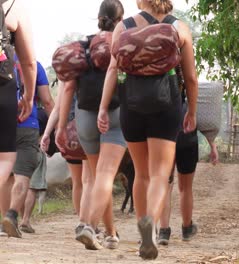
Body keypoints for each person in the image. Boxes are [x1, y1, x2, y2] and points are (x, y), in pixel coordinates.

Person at [98, 0, 198, 259]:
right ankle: (150, 225)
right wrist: (192, 112)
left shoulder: (124, 26)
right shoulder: (179, 28)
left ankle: (144, 223)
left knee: (141, 174)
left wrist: (102, 108)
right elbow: (191, 78)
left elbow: (112, 69)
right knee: (159, 175)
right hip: (167, 105)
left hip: (131, 104)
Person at [56, 0, 125, 250]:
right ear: (121, 20)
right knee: (106, 177)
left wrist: (62, 126)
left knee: (97, 178)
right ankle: (89, 226)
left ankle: (111, 233)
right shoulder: (123, 42)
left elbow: (68, 89)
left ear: (98, 18)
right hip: (115, 115)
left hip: (84, 117)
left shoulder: (83, 46)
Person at [0, 0, 37, 238]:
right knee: (4, 158)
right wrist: (29, 96)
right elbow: (28, 61)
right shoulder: (14, 6)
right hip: (2, 85)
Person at [40, 81, 92, 234]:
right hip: (91, 128)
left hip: (70, 133)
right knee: (89, 179)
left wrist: (47, 133)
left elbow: (57, 108)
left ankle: (82, 222)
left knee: (77, 182)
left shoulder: (67, 71)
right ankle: (90, 224)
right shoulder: (97, 61)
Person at [10, 60, 54, 235]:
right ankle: (17, 217)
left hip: (4, 124)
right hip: (28, 126)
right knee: (26, 180)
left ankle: (6, 221)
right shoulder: (34, 64)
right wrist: (58, 129)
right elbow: (48, 101)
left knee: (7, 177)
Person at [158, 127, 219, 245]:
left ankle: (164, 231)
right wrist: (212, 145)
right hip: (187, 138)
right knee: (185, 188)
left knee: (165, 186)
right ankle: (186, 229)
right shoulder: (192, 107)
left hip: (165, 136)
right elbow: (206, 120)